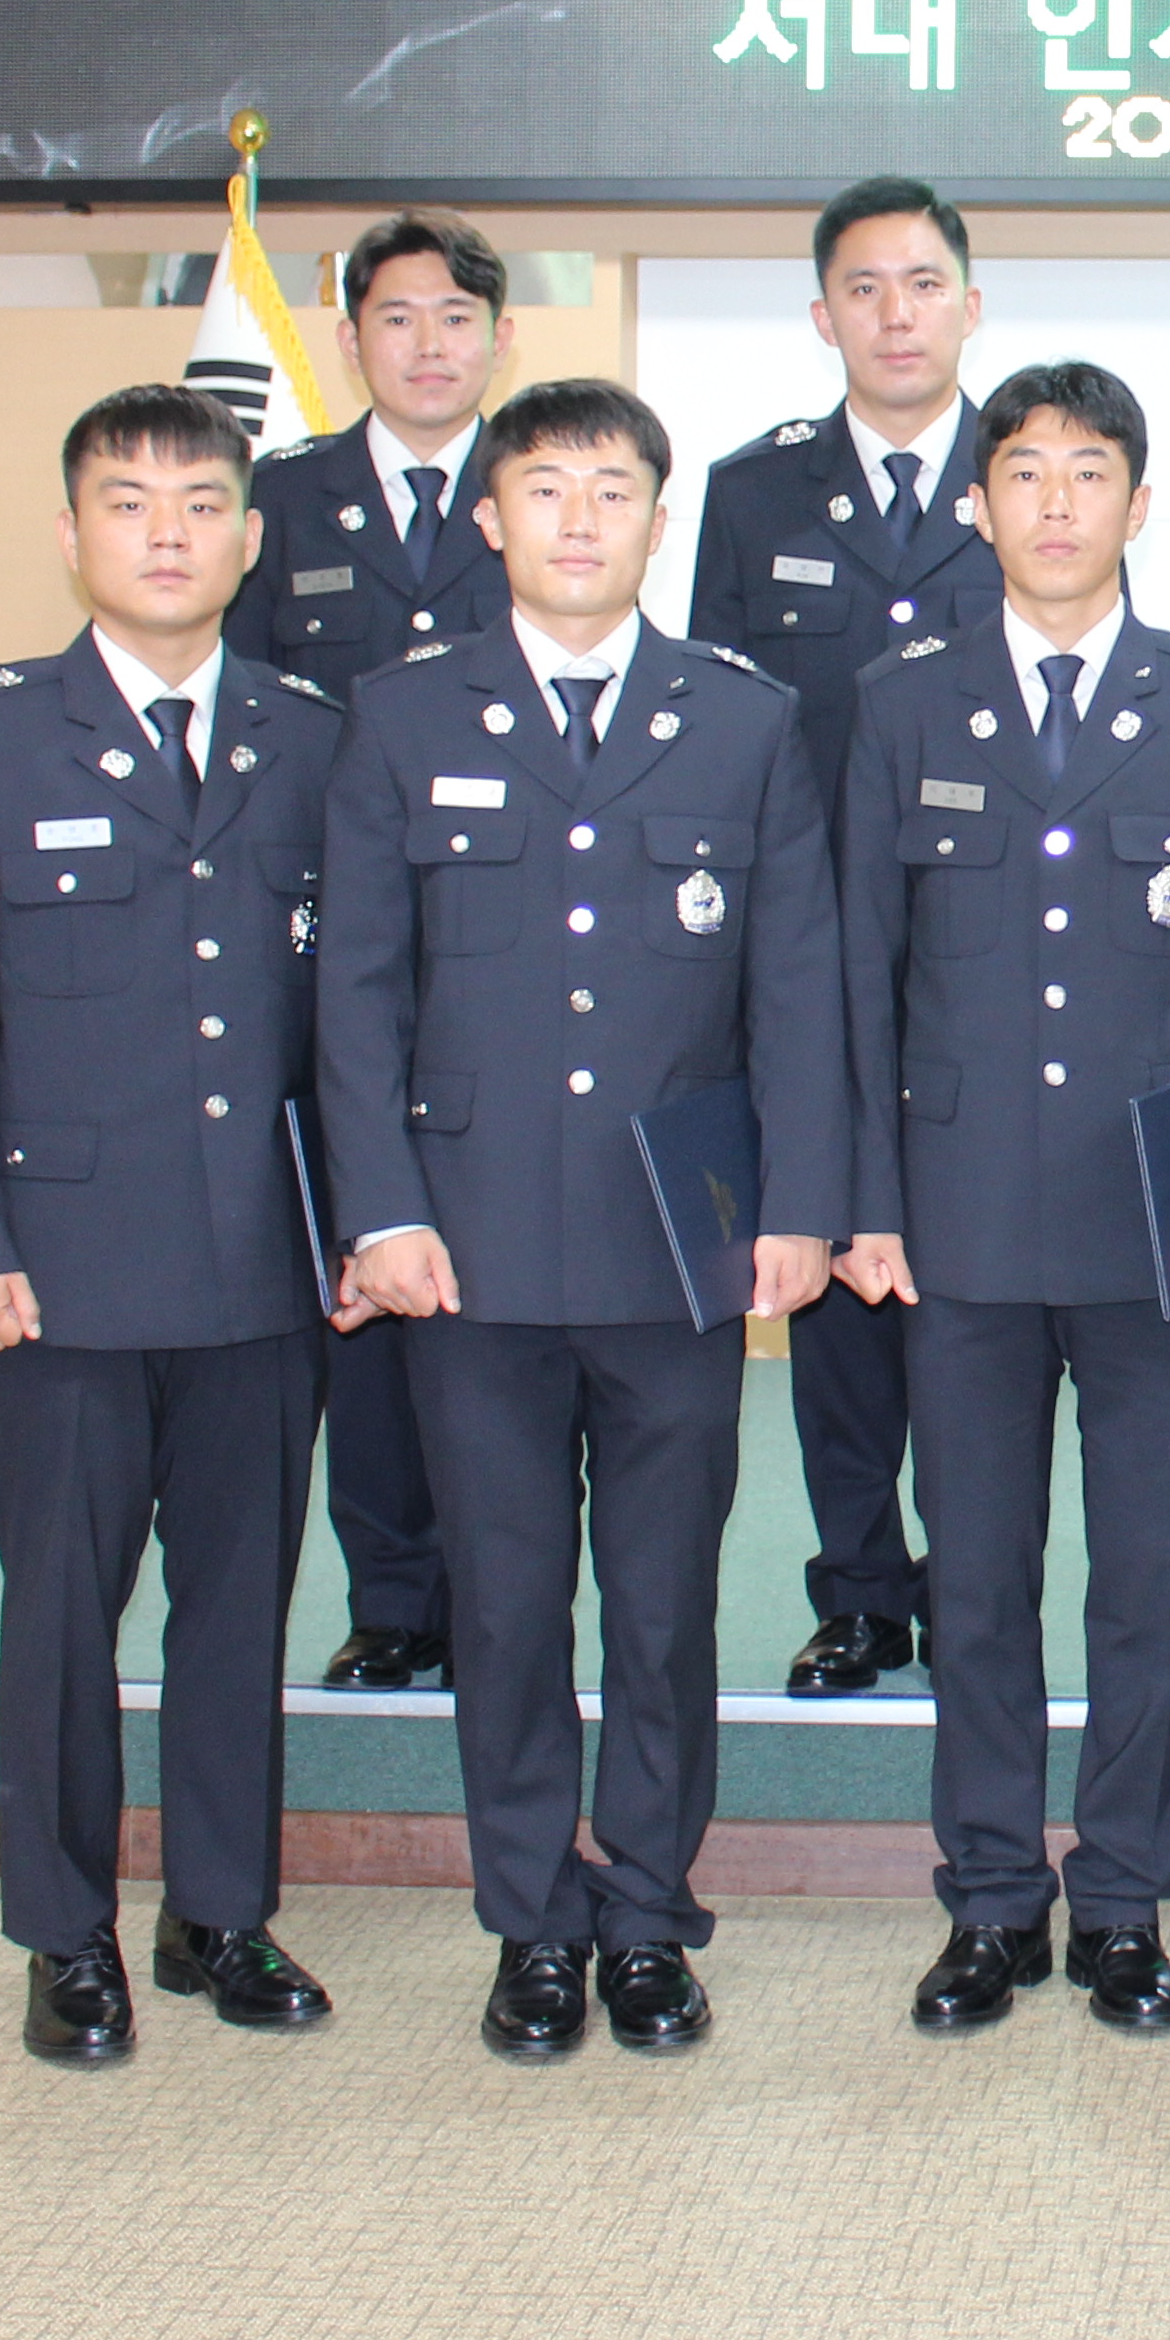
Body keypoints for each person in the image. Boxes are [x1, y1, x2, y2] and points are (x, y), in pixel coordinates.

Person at [320, 377, 849, 2062]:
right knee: (504, 1603)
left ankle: (650, 1915)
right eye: (544, 489)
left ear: (658, 521)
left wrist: (800, 1205)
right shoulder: (403, 716)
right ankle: (533, 1923)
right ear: (490, 518)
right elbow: (356, 994)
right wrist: (378, 1211)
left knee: (662, 1604)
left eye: (612, 491)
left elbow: (797, 989)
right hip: (465, 1249)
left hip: (674, 1243)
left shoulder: (744, 720)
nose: (577, 520)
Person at [835, 359, 1170, 2038]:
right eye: (1023, 472)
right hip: (955, 1215)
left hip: (1154, 1215)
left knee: (1145, 1577)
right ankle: (987, 1897)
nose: (1055, 503)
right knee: (976, 1576)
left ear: (1138, 504)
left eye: (1088, 473)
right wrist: (864, 1199)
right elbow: (858, 977)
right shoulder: (901, 702)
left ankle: (1122, 1896)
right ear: (978, 505)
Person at [0, 382, 348, 2064]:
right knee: (62, 1614)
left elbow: (349, 1014)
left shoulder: (314, 737)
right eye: (130, 504)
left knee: (237, 1609)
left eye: (202, 504)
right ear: (70, 532)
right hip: (61, 1269)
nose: (169, 535)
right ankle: (63, 1932)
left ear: (250, 535)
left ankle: (219, 1911)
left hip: (262, 1264)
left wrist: (355, 1229)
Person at [681, 177, 999, 1697]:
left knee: (975, 1283)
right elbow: (716, 733)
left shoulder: (1035, 473)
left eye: (923, 284)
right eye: (864, 289)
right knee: (830, 1265)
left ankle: (980, 1579)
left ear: (969, 307)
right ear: (824, 316)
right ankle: (862, 1589)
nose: (896, 314)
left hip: (989, 951)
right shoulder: (754, 495)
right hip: (808, 952)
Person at [227, 208, 517, 1695]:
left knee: (492, 1282)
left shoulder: (547, 489)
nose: (428, 346)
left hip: (496, 953)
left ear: (500, 340)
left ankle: (498, 1590)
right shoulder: (280, 499)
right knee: (359, 1273)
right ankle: (394, 1594)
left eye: (457, 319)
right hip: (324, 946)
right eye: (397, 318)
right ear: (349, 339)